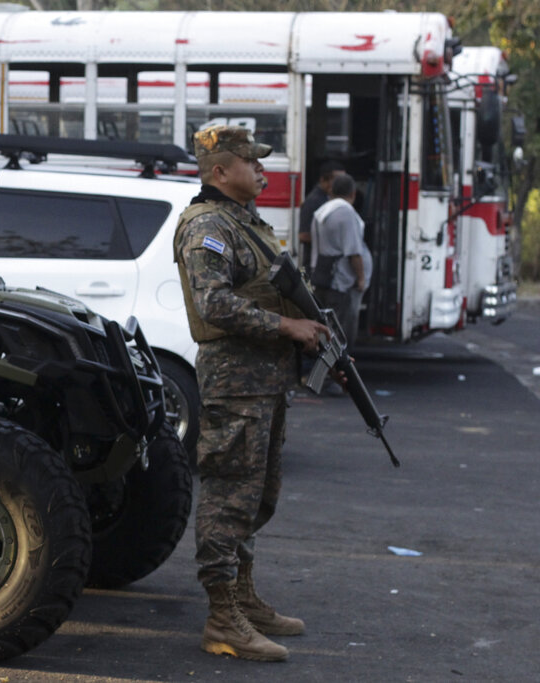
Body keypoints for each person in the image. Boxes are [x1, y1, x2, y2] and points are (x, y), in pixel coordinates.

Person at [173, 125, 329, 662]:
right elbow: (213, 303)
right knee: (227, 496)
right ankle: (222, 618)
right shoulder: (208, 226)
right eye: (250, 161)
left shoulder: (246, 221)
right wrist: (288, 330)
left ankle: (242, 597)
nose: (262, 169)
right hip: (235, 381)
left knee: (257, 496)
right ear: (220, 170)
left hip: (263, 382)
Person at [310, 172, 371, 351]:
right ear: (352, 193)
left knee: (327, 330)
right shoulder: (345, 212)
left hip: (324, 277)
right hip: (340, 282)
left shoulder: (322, 211)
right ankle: (336, 374)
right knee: (341, 332)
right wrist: (361, 278)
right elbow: (353, 252)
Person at [298, 160, 345, 271]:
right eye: (338, 180)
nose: (342, 183)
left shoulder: (329, 199)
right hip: (314, 266)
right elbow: (303, 235)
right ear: (324, 180)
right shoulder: (314, 201)